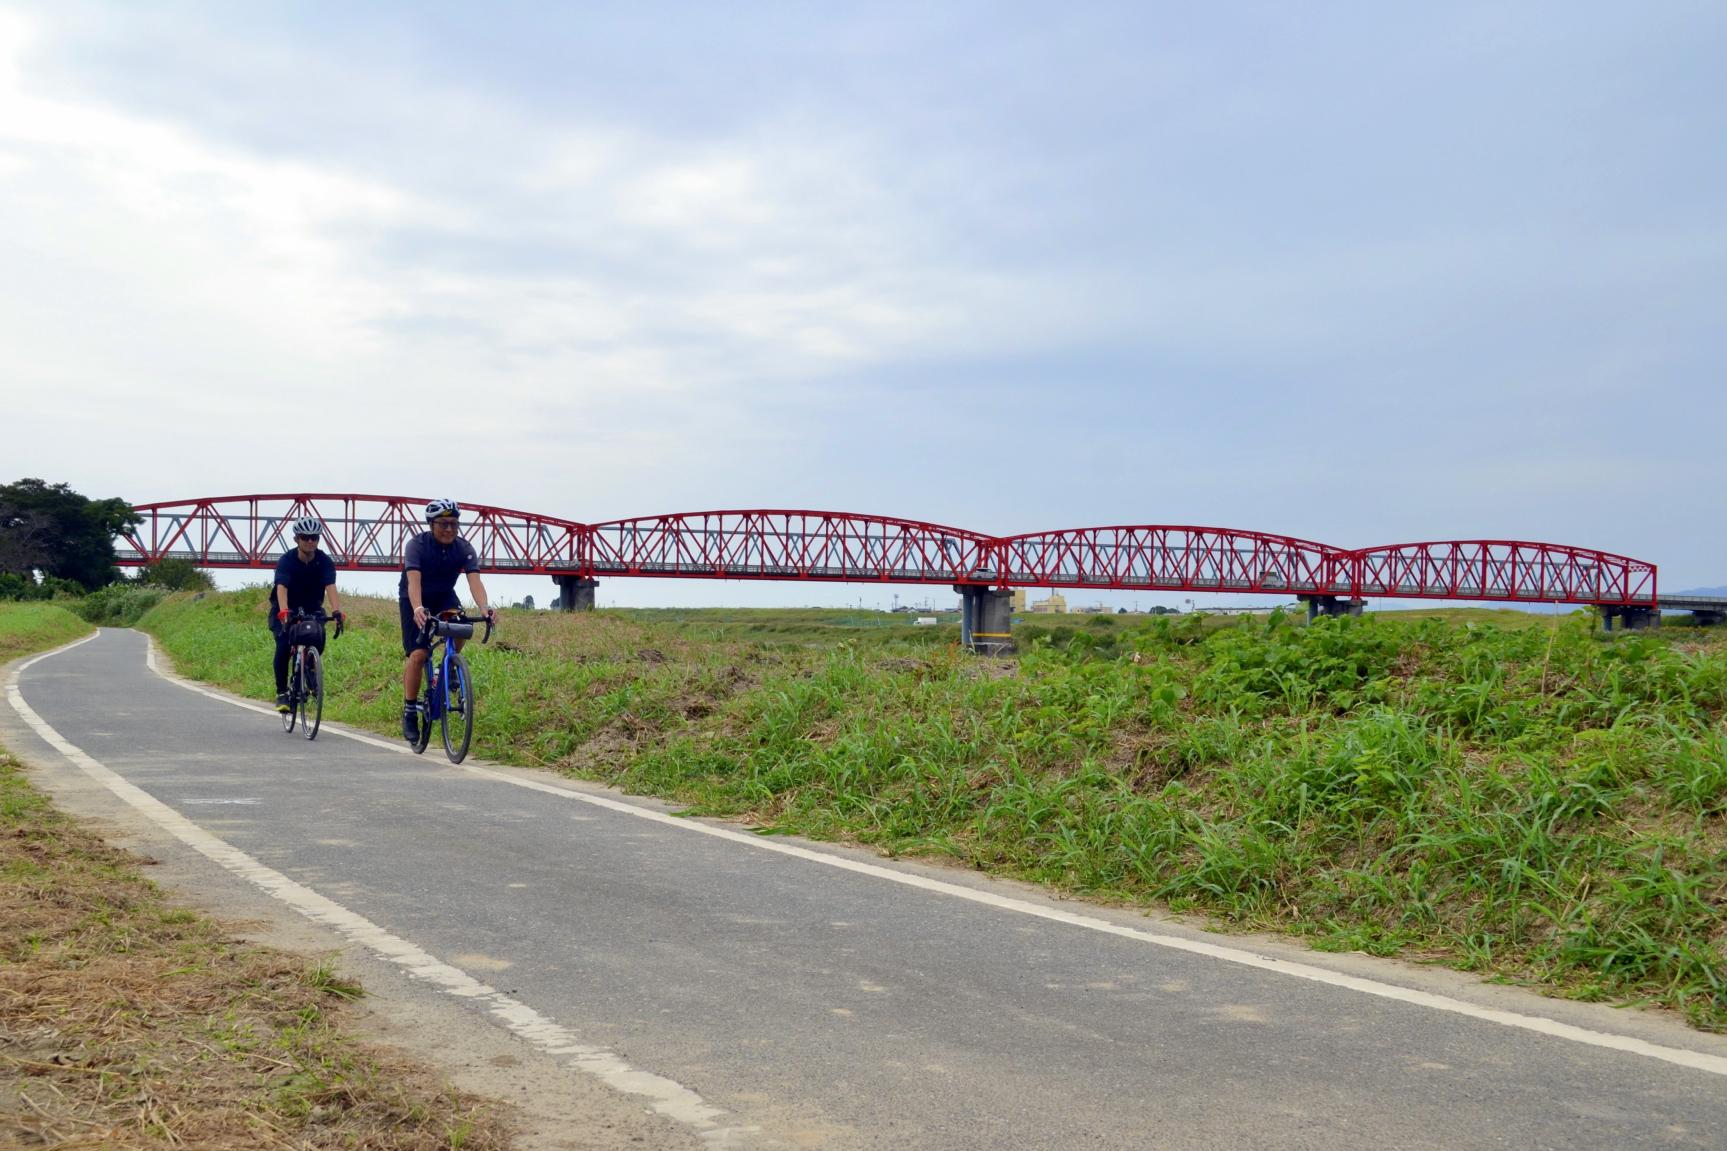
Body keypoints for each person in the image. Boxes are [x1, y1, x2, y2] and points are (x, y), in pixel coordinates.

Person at [400, 499, 496, 741]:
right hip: (415, 597)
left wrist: (485, 608)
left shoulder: (464, 548)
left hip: (444, 596)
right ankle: (410, 711)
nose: (450, 529)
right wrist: (418, 608)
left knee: (462, 627)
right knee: (419, 655)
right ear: (431, 524)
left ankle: (450, 666)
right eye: (443, 524)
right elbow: (414, 582)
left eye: (454, 524)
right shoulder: (417, 546)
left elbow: (475, 580)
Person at [270, 517, 344, 712]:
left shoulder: (324, 561)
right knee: (284, 645)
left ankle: (310, 668)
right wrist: (284, 612)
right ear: (296, 539)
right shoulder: (287, 560)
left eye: (315, 537)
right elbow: (281, 587)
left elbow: (330, 586)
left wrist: (337, 611)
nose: (310, 541)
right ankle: (282, 692)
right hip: (285, 606)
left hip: (312, 607)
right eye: (305, 537)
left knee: (317, 637)